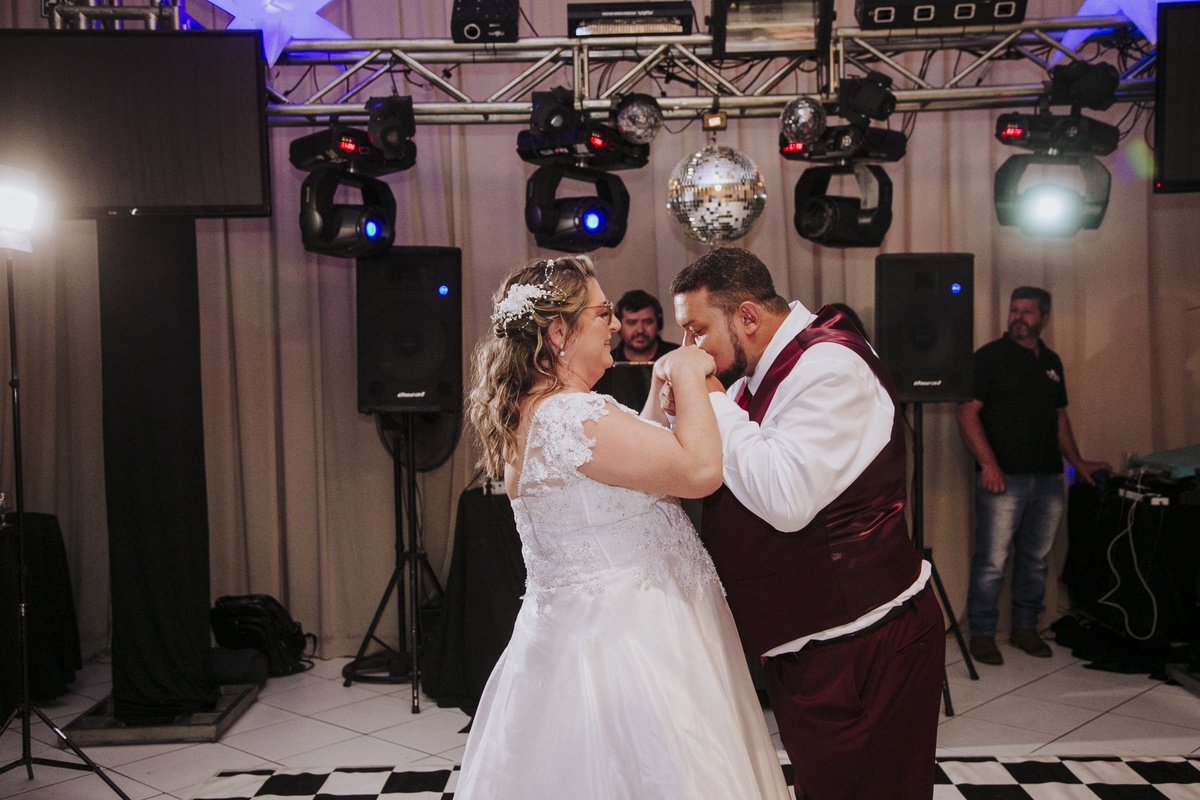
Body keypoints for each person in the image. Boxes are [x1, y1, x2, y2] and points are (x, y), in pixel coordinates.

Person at [459, 256, 789, 800]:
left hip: (596, 626)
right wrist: (688, 374)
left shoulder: (549, 410)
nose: (614, 324)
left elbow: (626, 471)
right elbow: (699, 473)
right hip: (629, 643)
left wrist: (657, 401)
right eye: (603, 312)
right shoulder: (569, 417)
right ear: (558, 333)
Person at [650, 246, 944, 800]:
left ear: (747, 316)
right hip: (810, 643)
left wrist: (712, 402)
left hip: (863, 641)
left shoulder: (830, 367)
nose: (690, 348)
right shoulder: (754, 375)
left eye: (697, 330)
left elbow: (787, 497)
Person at [955, 286, 1111, 666]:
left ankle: (1025, 628)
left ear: (1045, 318)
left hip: (1048, 479)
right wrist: (989, 464)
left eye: (1027, 311)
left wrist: (1078, 461)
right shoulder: (989, 357)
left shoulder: (1052, 361)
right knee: (992, 561)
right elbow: (966, 412)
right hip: (1003, 479)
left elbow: (1059, 418)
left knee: (1036, 559)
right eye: (1014, 310)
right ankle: (982, 634)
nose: (1018, 317)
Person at [591, 289, 679, 410]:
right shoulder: (603, 365)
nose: (640, 330)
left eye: (647, 322)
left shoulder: (676, 356)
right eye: (631, 323)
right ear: (619, 325)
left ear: (659, 323)